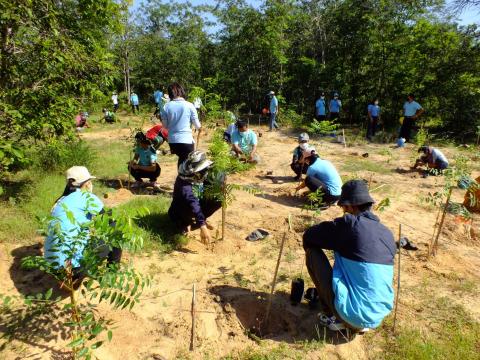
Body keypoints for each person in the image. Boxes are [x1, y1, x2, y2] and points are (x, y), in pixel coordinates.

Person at [303, 180, 396, 332]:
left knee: (312, 251)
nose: (344, 212)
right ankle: (355, 320)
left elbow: (309, 236)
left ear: (351, 206)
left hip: (351, 315)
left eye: (344, 209)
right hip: (376, 318)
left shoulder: (350, 224)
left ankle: (333, 315)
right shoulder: (387, 234)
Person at [44, 166, 122, 284]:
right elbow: (110, 221)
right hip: (73, 271)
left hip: (53, 268)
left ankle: (67, 276)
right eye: (90, 182)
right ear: (87, 184)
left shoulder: (60, 201)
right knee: (116, 231)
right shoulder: (87, 197)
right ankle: (112, 274)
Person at [168, 151, 221, 244]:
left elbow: (219, 175)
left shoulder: (203, 172)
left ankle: (200, 219)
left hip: (196, 202)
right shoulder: (184, 183)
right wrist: (202, 226)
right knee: (186, 206)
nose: (205, 171)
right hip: (180, 210)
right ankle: (185, 223)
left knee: (217, 199)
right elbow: (193, 202)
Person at [161, 83, 202, 167]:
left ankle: (181, 177)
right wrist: (200, 128)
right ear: (182, 92)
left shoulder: (166, 106)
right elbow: (197, 125)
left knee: (182, 159)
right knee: (187, 163)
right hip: (186, 141)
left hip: (172, 142)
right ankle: (181, 179)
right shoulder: (189, 105)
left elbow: (165, 126)